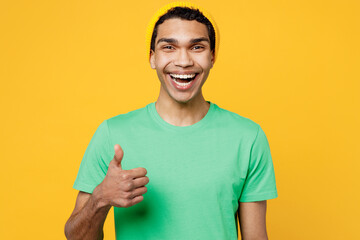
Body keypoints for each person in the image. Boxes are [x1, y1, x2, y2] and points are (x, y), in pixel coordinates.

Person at [64, 2, 278, 240]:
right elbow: (76, 238)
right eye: (169, 47)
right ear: (152, 58)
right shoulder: (112, 134)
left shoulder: (248, 137)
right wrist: (101, 198)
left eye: (197, 47)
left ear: (212, 57)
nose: (184, 61)